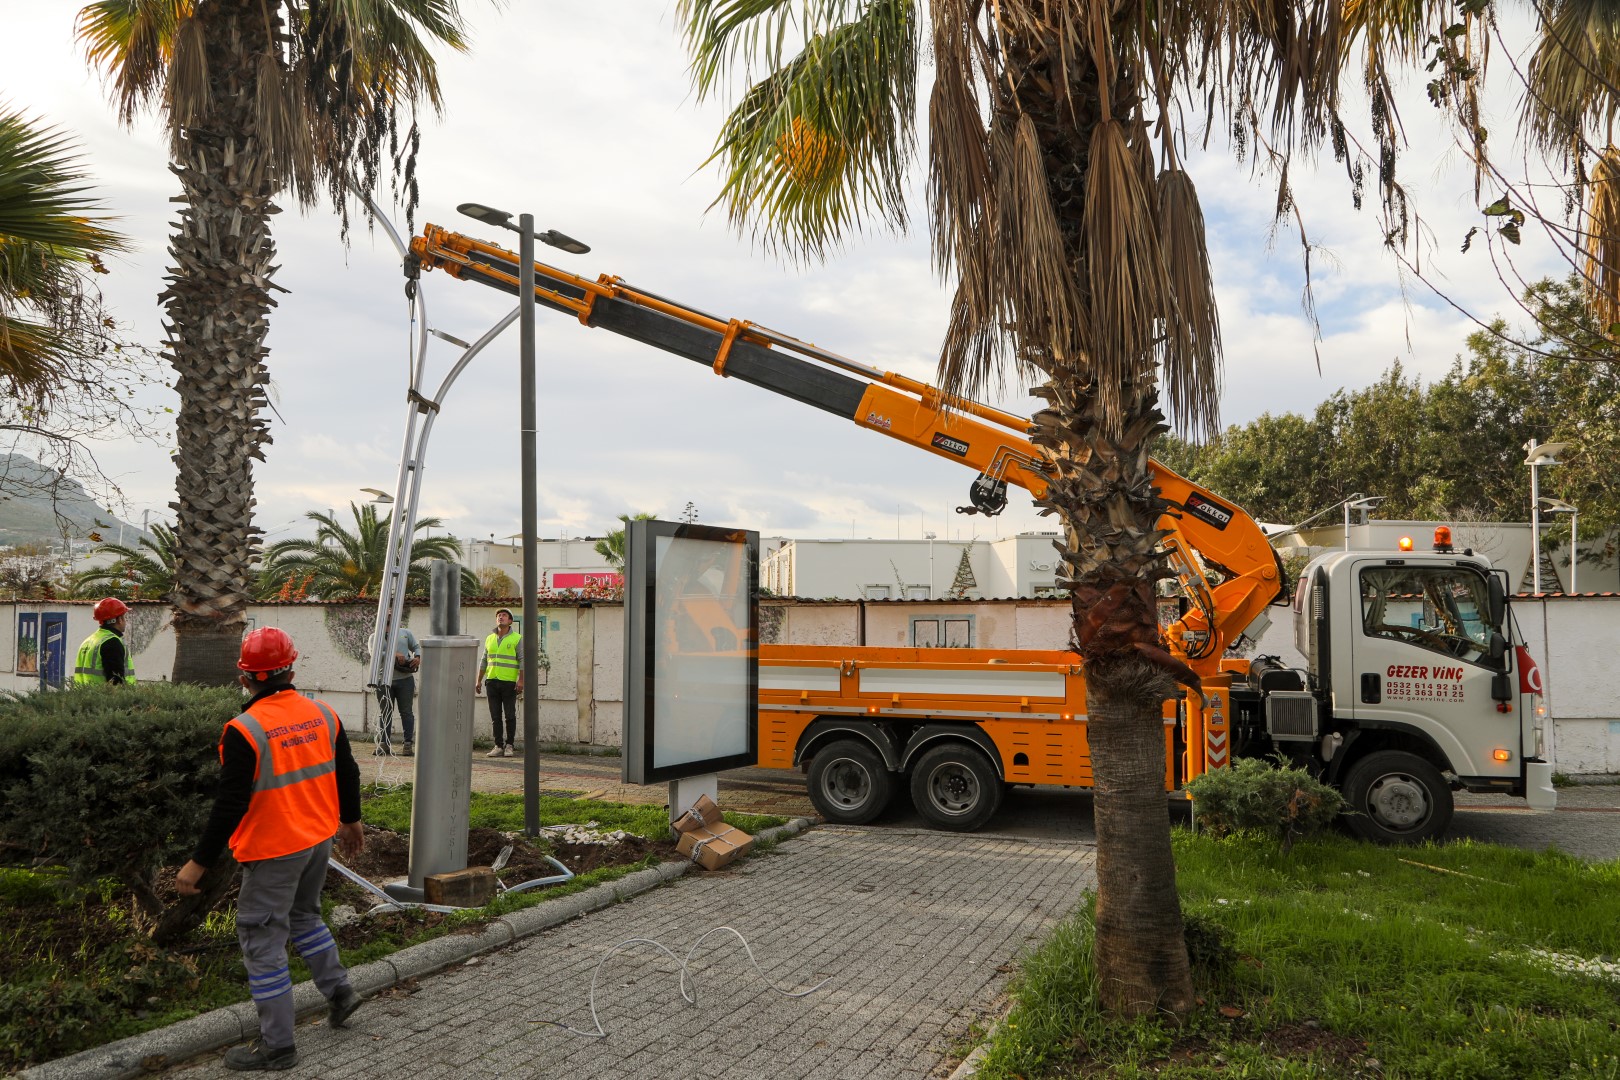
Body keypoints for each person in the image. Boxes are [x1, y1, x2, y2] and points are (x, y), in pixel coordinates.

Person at [175, 627, 365, 1072]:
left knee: (262, 940)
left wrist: (198, 863)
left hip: (274, 850)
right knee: (305, 916)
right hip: (317, 841)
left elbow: (230, 804)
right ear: (291, 672)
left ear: (244, 678)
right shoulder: (322, 713)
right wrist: (351, 820)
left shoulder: (244, 730)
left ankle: (278, 1046)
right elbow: (348, 770)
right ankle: (340, 992)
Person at [474, 608, 522, 757]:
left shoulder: (517, 638)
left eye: (504, 615)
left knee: (510, 715)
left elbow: (523, 660)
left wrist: (521, 680)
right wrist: (478, 680)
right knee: (495, 716)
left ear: (510, 621)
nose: (501, 617)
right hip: (492, 681)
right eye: (499, 615)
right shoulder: (490, 638)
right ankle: (498, 745)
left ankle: (510, 745)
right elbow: (484, 660)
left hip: (509, 682)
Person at [73, 596, 135, 685]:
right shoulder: (112, 642)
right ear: (120, 620)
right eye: (124, 617)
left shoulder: (88, 641)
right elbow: (116, 681)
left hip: (85, 693)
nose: (125, 621)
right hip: (104, 694)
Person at [386, 624, 422, 757]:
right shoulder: (376, 636)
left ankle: (407, 744)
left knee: (407, 713)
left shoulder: (405, 633)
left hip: (405, 680)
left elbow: (417, 647)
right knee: (385, 713)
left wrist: (417, 657)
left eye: (392, 614)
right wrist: (394, 654)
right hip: (384, 680)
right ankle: (383, 744)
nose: (390, 615)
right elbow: (375, 652)